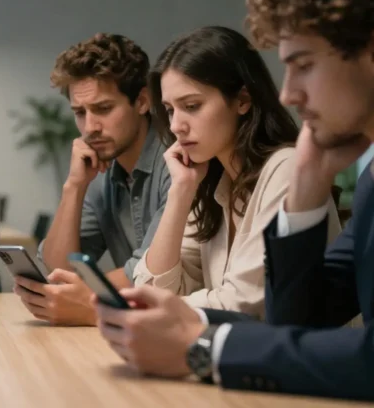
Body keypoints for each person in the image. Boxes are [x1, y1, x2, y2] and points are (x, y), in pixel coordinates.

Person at [92, 0, 374, 405]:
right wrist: (305, 188)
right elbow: (299, 321)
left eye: (303, 64)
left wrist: (205, 346)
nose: (288, 93)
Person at [133, 26, 341, 318]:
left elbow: (245, 304)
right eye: (169, 110)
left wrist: (156, 308)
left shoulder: (286, 167)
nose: (176, 125)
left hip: (308, 360)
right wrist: (181, 191)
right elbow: (152, 287)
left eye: (191, 106)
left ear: (243, 100)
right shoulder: (210, 181)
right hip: (239, 357)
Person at [15, 33, 170, 326]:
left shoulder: (176, 163)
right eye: (79, 113)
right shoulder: (99, 170)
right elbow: (58, 270)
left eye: (103, 109)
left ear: (142, 101)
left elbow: (147, 273)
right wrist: (74, 187)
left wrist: (83, 295)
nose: (90, 127)